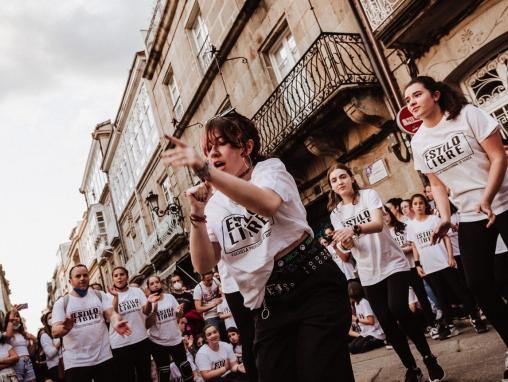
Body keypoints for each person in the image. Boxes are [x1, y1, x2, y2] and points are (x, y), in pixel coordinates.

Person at [161, 110, 353, 382]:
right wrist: (197, 213)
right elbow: (203, 264)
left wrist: (207, 173)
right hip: (269, 302)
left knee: (320, 372)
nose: (212, 153)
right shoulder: (214, 205)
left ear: (247, 147)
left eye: (220, 144)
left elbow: (267, 203)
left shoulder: (270, 170)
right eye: (207, 149)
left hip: (313, 285)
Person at [405, 76, 508, 380]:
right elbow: (436, 184)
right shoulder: (418, 140)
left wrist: (488, 197)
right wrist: (445, 217)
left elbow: (498, 155)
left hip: (503, 200)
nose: (411, 102)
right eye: (407, 99)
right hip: (471, 214)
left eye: (416, 95)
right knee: (478, 284)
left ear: (435, 95)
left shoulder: (467, 115)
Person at [328, 163, 445, 382]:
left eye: (343, 177)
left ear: (352, 178)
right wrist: (346, 241)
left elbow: (378, 223)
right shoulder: (336, 213)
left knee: (398, 308)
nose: (340, 182)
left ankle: (429, 357)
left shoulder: (369, 195)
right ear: (332, 187)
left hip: (393, 263)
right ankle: (412, 367)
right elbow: (350, 246)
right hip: (368, 271)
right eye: (334, 180)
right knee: (386, 320)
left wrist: (353, 229)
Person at [407, 194, 487, 339]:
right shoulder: (411, 226)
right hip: (429, 266)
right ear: (412, 207)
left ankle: (475, 319)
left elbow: (446, 237)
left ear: (426, 205)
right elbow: (414, 246)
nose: (418, 206)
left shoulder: (434, 220)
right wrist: (417, 264)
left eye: (421, 203)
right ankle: (450, 325)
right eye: (415, 204)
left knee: (460, 291)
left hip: (443, 261)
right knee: (441, 297)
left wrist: (450, 257)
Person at [51, 264, 131, 382]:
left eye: (85, 275)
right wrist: (65, 328)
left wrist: (116, 322)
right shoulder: (62, 303)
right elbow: (54, 331)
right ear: (70, 281)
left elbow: (112, 314)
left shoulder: (99, 295)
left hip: (103, 357)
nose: (82, 278)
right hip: (76, 362)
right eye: (78, 276)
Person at [383, 205, 436, 333]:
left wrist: (403, 250)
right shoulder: (383, 234)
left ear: (390, 213)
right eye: (381, 216)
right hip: (397, 270)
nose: (384, 218)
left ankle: (432, 323)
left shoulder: (403, 227)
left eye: (386, 214)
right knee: (404, 302)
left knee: (422, 296)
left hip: (411, 266)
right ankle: (417, 327)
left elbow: (413, 245)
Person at [107, 266, 153, 382]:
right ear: (113, 279)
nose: (119, 278)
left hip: (141, 339)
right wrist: (116, 297)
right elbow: (112, 315)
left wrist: (149, 302)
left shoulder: (137, 291)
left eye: (122, 274)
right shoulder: (108, 296)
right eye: (116, 276)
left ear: (127, 277)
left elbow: (146, 311)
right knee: (127, 377)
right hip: (120, 344)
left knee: (145, 376)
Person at [145, 275, 193, 382]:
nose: (155, 285)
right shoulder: (148, 303)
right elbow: (146, 325)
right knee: (164, 372)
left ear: (161, 283)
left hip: (175, 339)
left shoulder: (170, 297)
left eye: (157, 282)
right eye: (152, 284)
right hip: (158, 342)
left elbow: (178, 316)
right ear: (148, 288)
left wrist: (180, 312)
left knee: (185, 368)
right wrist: (154, 310)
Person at [347, 282, 385, 354]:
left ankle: (381, 342)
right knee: (351, 347)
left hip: (375, 333)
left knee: (359, 347)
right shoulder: (356, 303)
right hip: (365, 333)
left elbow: (371, 321)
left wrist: (356, 319)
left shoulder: (364, 302)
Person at [3, 307, 37, 382]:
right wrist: (11, 316)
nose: (16, 318)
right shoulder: (6, 334)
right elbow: (8, 335)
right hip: (16, 364)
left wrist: (34, 341)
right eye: (13, 316)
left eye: (17, 316)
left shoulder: (23, 335)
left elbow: (30, 353)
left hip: (28, 362)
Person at [39, 312, 62, 382]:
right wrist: (61, 342)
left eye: (53, 316)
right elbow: (50, 354)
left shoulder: (62, 330)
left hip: (66, 363)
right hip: (55, 367)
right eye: (49, 318)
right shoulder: (44, 336)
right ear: (46, 322)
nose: (52, 319)